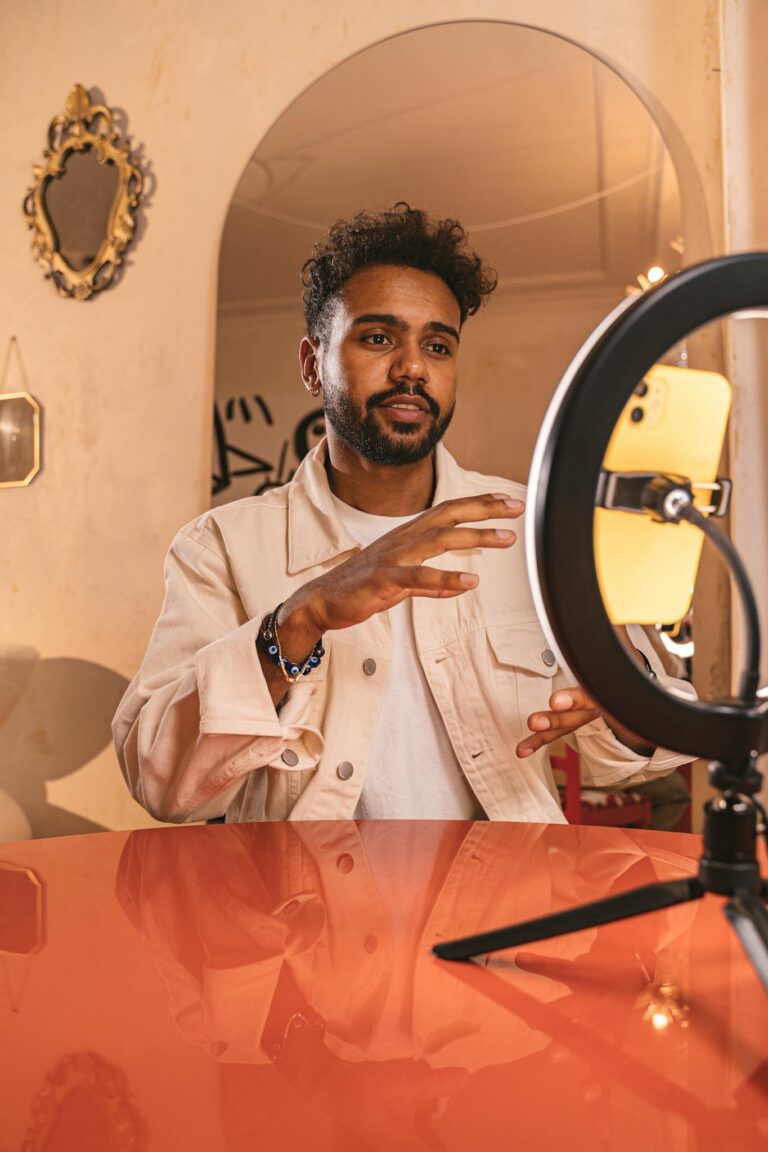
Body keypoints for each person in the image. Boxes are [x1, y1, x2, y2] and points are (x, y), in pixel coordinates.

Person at [113, 204, 694, 824]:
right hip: (301, 912)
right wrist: (302, 618)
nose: (413, 367)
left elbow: (649, 748)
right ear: (313, 365)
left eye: (437, 345)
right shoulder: (219, 547)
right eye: (378, 337)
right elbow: (161, 781)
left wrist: (621, 701)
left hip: (513, 904)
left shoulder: (533, 531)